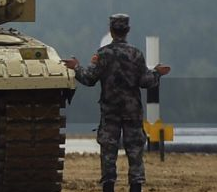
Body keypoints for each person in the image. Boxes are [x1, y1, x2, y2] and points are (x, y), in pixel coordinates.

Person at [62, 14, 171, 192]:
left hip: (110, 112)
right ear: (127, 30)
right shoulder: (136, 54)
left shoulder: (103, 54)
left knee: (108, 153)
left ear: (111, 31)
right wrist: (157, 72)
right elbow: (146, 81)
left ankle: (109, 187)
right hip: (132, 112)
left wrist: (76, 66)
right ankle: (135, 187)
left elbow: (89, 79)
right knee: (135, 154)